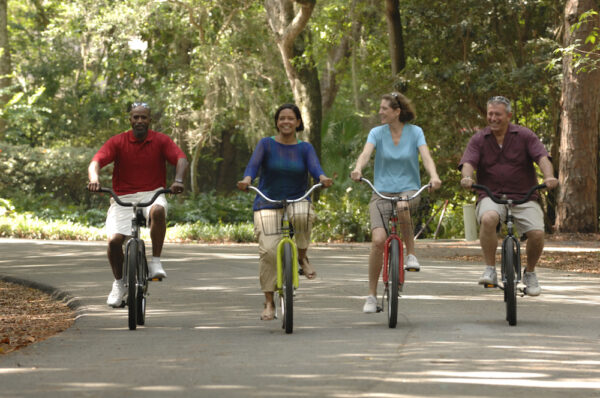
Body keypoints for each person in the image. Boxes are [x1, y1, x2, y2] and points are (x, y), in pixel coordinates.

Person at [237, 103, 333, 321]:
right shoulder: (266, 144)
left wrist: (322, 178)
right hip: (267, 202)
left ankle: (301, 257)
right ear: (276, 122)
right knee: (269, 252)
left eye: (291, 118)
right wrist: (247, 179)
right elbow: (253, 167)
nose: (286, 122)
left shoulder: (305, 148)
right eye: (282, 118)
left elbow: (315, 167)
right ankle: (269, 303)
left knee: (303, 215)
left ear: (298, 122)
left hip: (298, 198)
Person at [88, 102, 189, 307]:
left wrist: (178, 180)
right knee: (114, 242)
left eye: (143, 117)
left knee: (158, 210)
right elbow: (96, 161)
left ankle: (156, 262)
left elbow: (181, 158)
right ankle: (119, 283)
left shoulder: (160, 140)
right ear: (130, 120)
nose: (139, 121)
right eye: (136, 117)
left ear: (149, 120)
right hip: (123, 197)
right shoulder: (118, 141)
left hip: (153, 193)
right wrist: (94, 178)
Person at [350, 92, 442, 313]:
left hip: (408, 189)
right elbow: (365, 154)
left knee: (403, 207)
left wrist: (434, 176)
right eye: (380, 108)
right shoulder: (376, 133)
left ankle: (411, 254)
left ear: (397, 112)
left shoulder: (415, 132)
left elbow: (426, 157)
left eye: (384, 109)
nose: (380, 112)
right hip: (381, 192)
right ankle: (371, 295)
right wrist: (358, 168)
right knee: (378, 240)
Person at [459, 95, 558, 296]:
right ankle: (489, 268)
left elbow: (542, 157)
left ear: (509, 115)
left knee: (537, 233)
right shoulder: (479, 138)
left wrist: (549, 177)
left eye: (498, 114)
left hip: (524, 195)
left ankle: (529, 272)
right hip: (491, 195)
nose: (493, 118)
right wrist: (467, 178)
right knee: (488, 218)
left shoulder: (525, 135)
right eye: (490, 114)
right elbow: (468, 162)